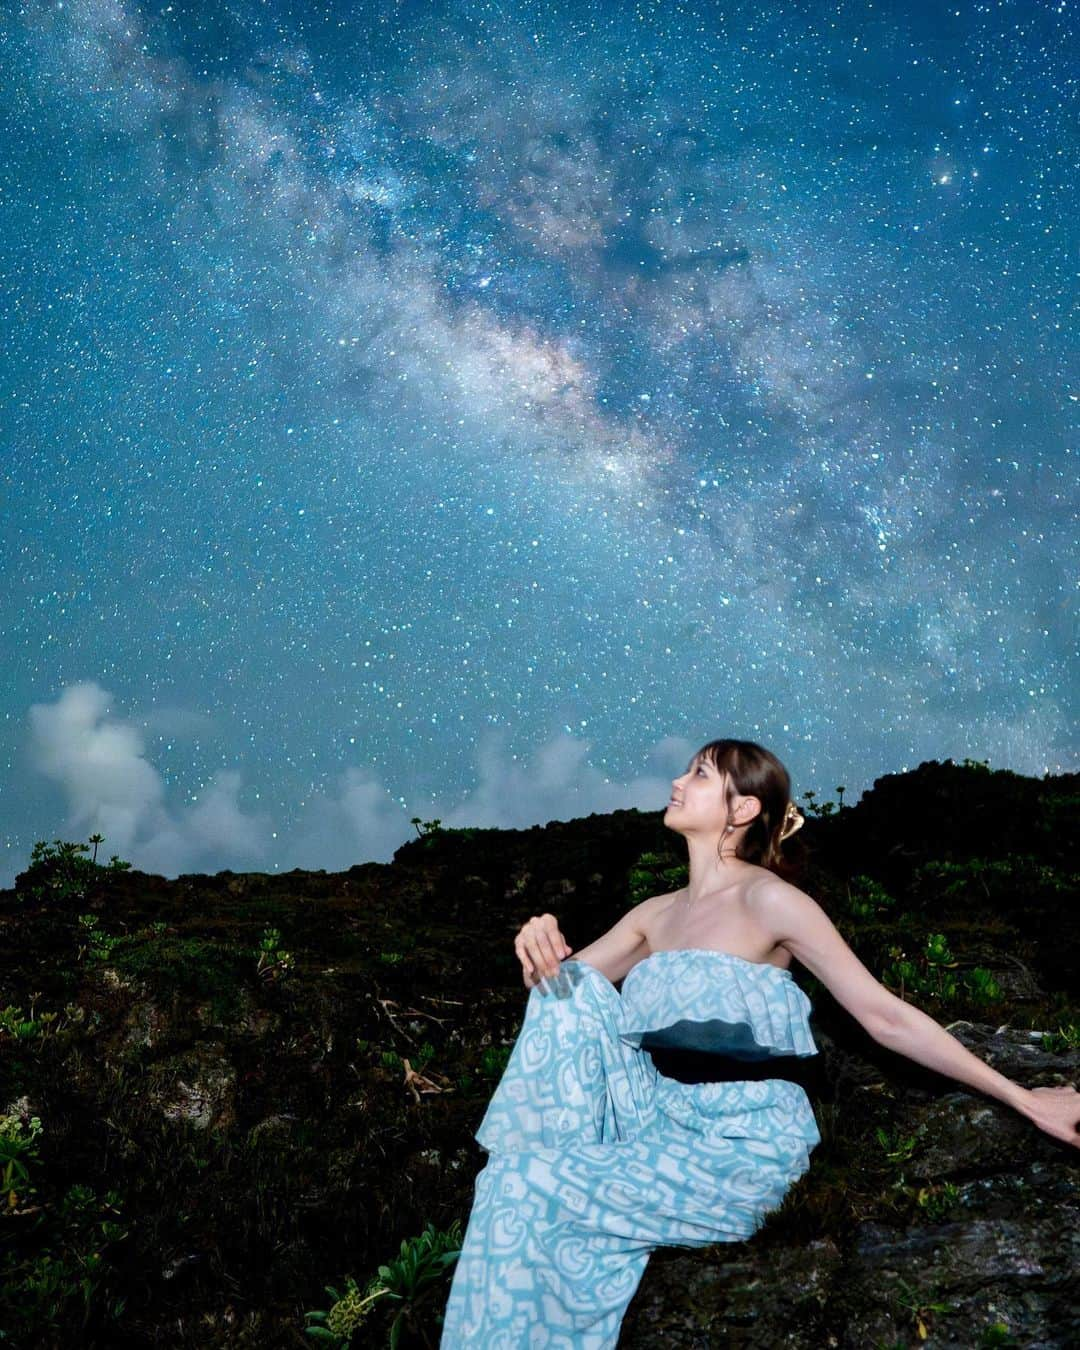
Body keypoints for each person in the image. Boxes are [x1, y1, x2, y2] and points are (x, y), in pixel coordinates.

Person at [439, 739, 1079, 1348]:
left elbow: (883, 1016)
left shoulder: (773, 901)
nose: (677, 782)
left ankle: (560, 1188)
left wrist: (1023, 1098)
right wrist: (538, 940)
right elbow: (560, 997)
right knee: (543, 1080)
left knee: (524, 1185)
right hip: (656, 1122)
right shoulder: (652, 915)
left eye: (698, 774)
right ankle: (559, 1182)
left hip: (740, 1142)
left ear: (742, 809)